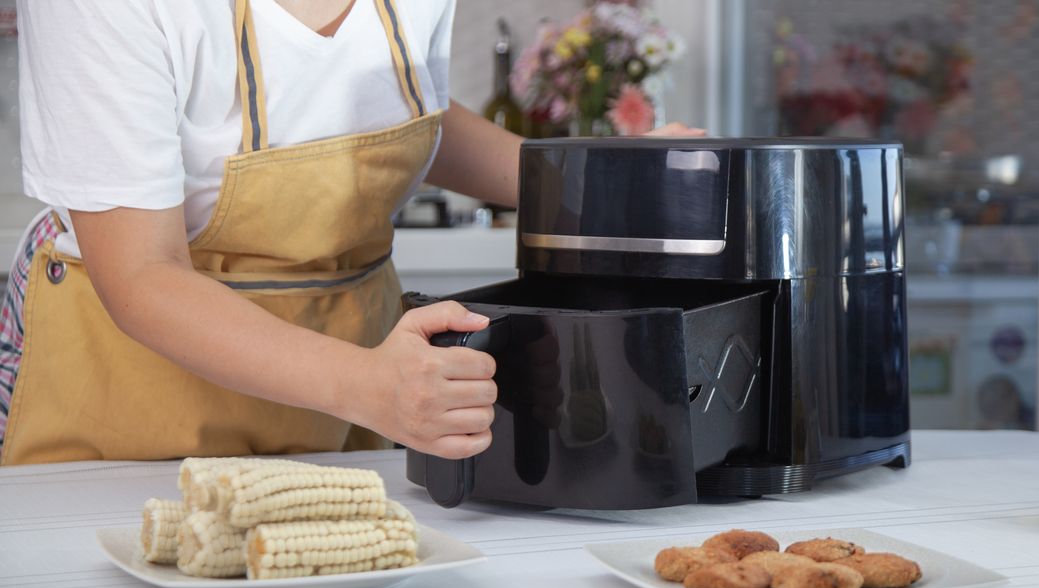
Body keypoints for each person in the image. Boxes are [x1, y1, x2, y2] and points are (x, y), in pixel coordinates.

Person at [1, 0, 700, 466]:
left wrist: (592, 182)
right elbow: (141, 274)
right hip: (129, 423)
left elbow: (402, 110)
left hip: (339, 430)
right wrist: (367, 383)